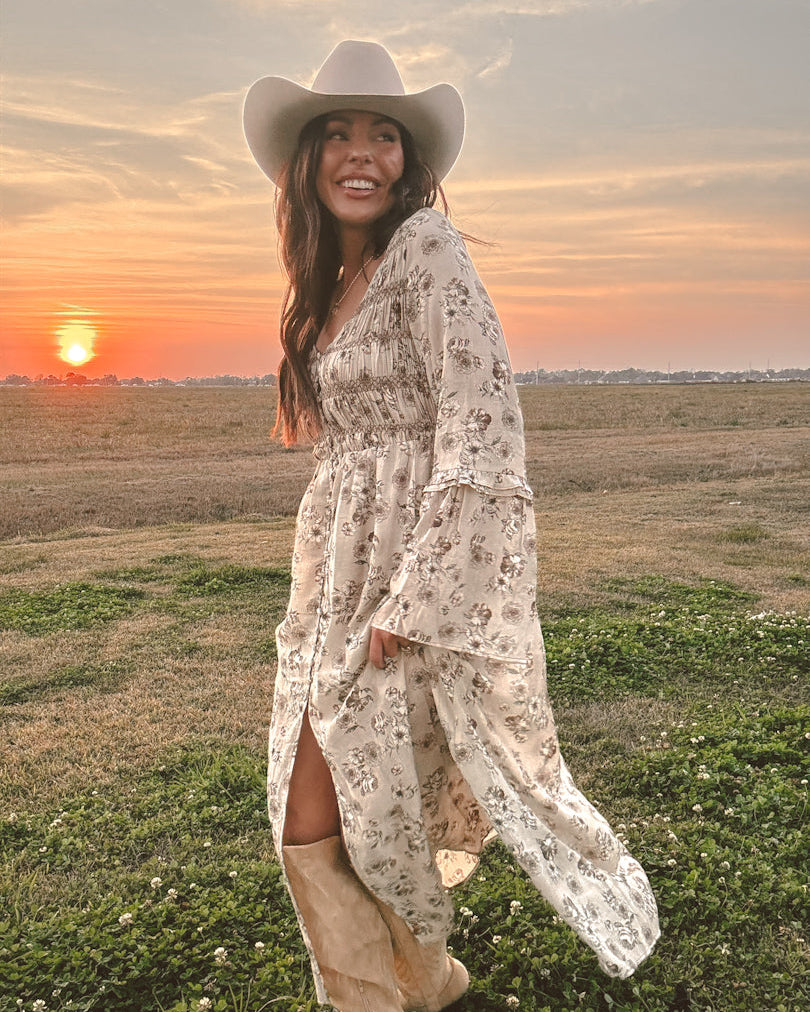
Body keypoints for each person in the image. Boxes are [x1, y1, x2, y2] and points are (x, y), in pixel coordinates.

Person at [243, 40, 659, 1012]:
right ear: (307, 162)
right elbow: (343, 450)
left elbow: (482, 421)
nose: (361, 153)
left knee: (367, 808)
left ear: (409, 159)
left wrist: (422, 593)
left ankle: (393, 994)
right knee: (309, 805)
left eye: (382, 134)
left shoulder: (428, 249)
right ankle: (421, 988)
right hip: (334, 581)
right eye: (337, 133)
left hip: (408, 577)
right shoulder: (327, 285)